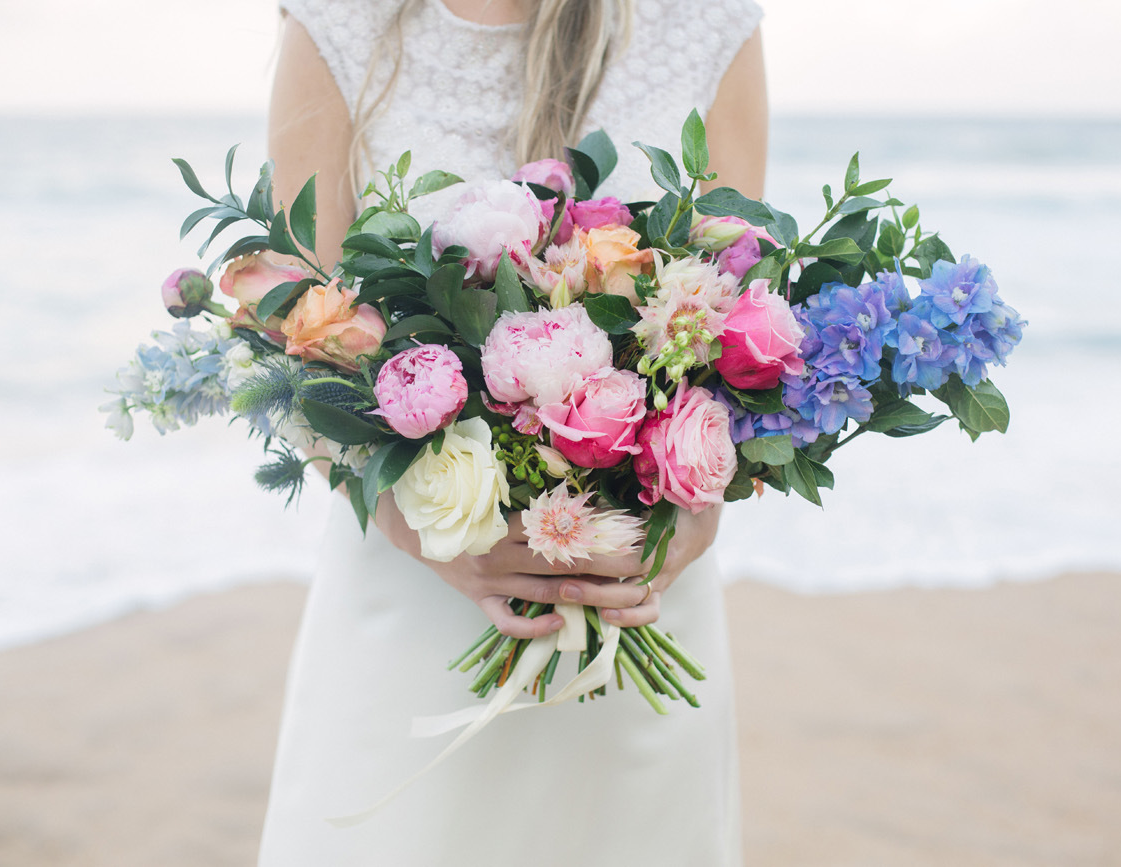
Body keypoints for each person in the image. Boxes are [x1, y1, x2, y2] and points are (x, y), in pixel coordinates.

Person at [259, 1, 766, 863]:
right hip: (411, 606)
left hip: (637, 599)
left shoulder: (707, 16)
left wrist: (698, 511)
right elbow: (297, 337)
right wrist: (423, 530)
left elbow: (745, 313)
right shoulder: (340, 18)